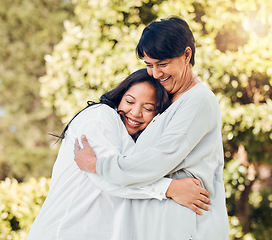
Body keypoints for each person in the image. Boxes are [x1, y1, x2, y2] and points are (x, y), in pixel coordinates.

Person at [74, 17, 229, 240]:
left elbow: (155, 161)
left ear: (187, 55)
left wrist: (97, 164)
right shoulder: (166, 102)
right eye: (149, 65)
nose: (155, 74)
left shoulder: (199, 101)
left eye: (162, 64)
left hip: (187, 227)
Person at [27, 68, 210, 240]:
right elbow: (108, 178)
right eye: (129, 101)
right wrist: (171, 188)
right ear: (120, 96)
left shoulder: (139, 143)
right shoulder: (100, 117)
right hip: (63, 232)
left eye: (148, 108)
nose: (136, 112)